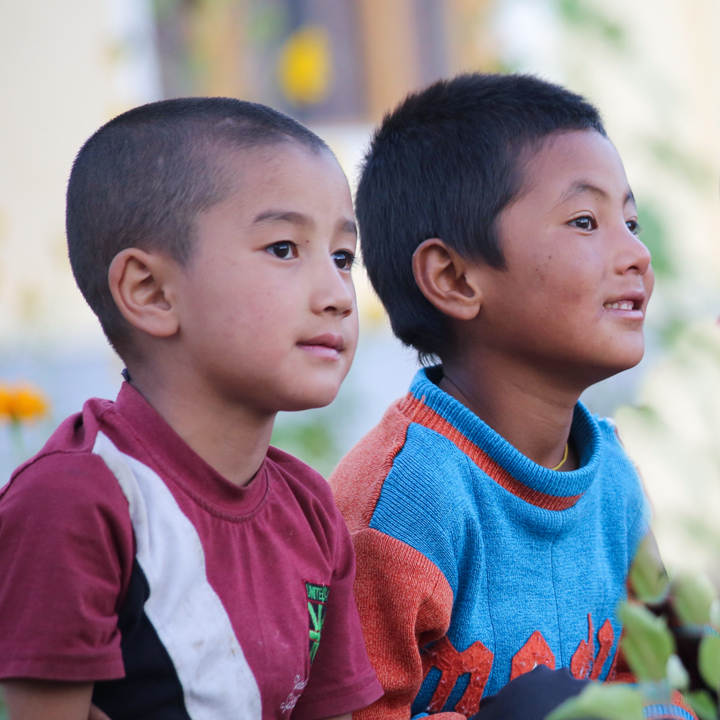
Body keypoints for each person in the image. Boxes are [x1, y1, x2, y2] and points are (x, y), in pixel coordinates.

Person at [0, 98, 383, 720]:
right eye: (285, 249)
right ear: (150, 292)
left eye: (343, 258)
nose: (338, 294)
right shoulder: (80, 502)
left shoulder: (310, 510)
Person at [329, 74, 693, 719]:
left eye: (629, 221)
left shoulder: (612, 478)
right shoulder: (399, 507)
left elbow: (646, 678)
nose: (636, 253)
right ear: (454, 277)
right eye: (586, 221)